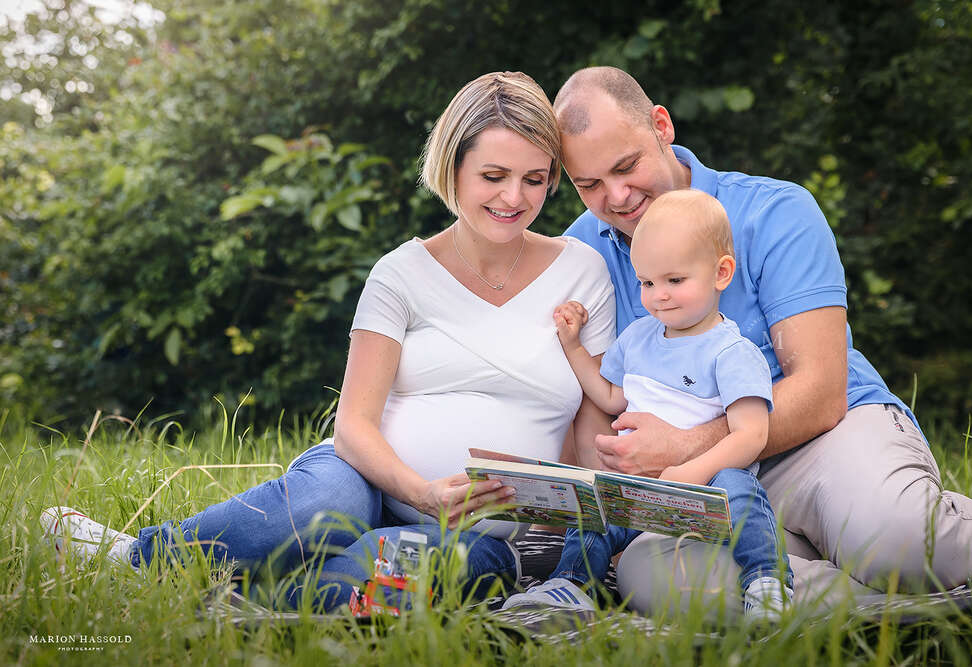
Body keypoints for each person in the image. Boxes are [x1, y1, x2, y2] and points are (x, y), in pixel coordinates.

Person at [39, 71, 618, 612]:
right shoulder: (402, 273)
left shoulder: (582, 272)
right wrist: (421, 492)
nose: (514, 198)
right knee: (326, 507)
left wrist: (571, 526)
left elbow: (592, 429)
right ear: (454, 169)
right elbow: (354, 426)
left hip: (482, 532)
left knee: (391, 575)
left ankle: (261, 598)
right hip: (365, 479)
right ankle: (134, 557)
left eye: (534, 179)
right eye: (493, 176)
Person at [552, 66, 972, 616]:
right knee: (653, 575)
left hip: (824, 437)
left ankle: (942, 566)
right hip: (705, 487)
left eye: (627, 166)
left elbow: (820, 390)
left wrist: (685, 447)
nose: (617, 197)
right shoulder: (580, 254)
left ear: (661, 127)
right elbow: (597, 400)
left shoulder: (774, 211)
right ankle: (925, 615)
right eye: (588, 184)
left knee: (897, 540)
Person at [503, 189, 793, 620]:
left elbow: (753, 434)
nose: (659, 295)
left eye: (675, 281)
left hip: (709, 489)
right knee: (596, 502)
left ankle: (767, 581)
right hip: (642, 491)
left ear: (721, 273)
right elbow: (609, 396)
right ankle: (569, 586)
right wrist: (572, 345)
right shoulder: (639, 338)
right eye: (647, 282)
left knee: (741, 487)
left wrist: (693, 472)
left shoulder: (731, 351)